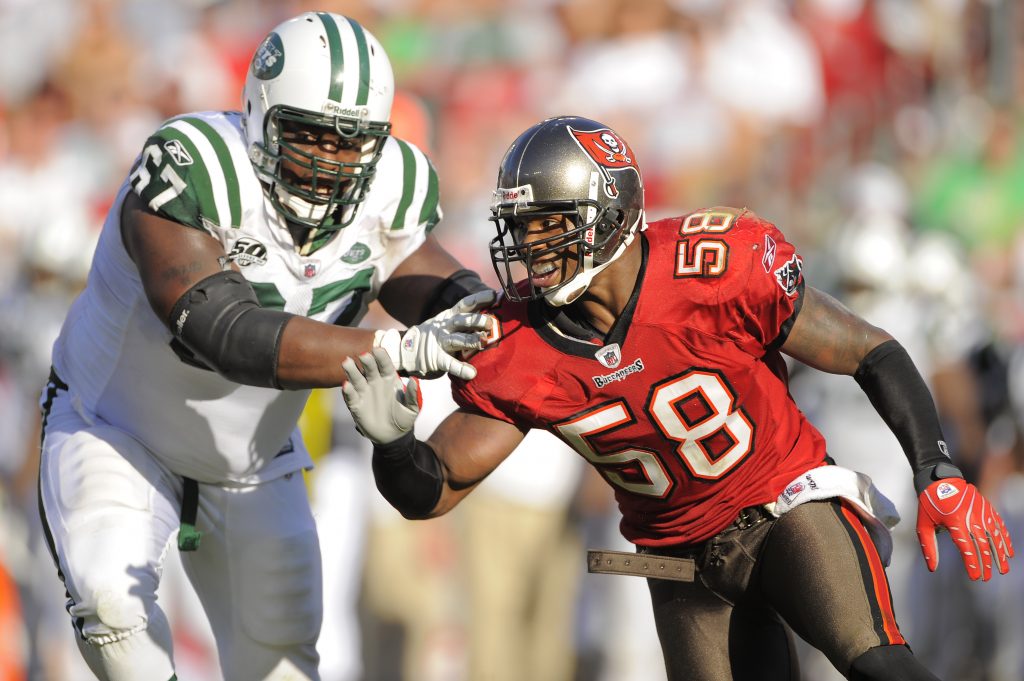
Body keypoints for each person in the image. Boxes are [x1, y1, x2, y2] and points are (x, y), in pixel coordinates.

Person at [340, 115, 1015, 681]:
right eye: (521, 229)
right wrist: (394, 443)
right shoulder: (517, 345)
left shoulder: (711, 267)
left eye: (549, 225)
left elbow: (870, 348)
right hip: (679, 557)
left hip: (785, 503)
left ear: (609, 214)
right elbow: (436, 489)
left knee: (873, 662)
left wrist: (936, 466)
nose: (531, 250)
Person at [37, 12, 494, 681]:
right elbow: (220, 328)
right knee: (112, 603)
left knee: (285, 660)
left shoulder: (393, 188)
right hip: (116, 429)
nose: (330, 163)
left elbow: (432, 282)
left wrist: (493, 319)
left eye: (352, 144)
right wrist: (393, 350)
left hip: (252, 456)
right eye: (309, 135)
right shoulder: (194, 165)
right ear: (259, 114)